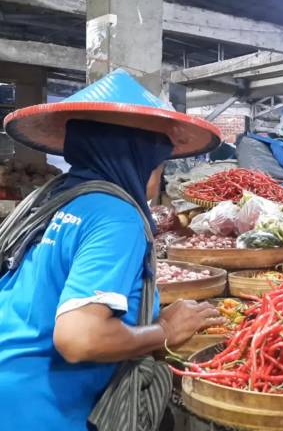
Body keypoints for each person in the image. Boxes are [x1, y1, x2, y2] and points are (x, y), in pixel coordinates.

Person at [0, 69, 224, 430]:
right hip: (40, 411)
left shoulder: (55, 197)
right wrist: (164, 330)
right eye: (160, 162)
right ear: (140, 156)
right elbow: (79, 337)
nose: (160, 176)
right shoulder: (117, 215)